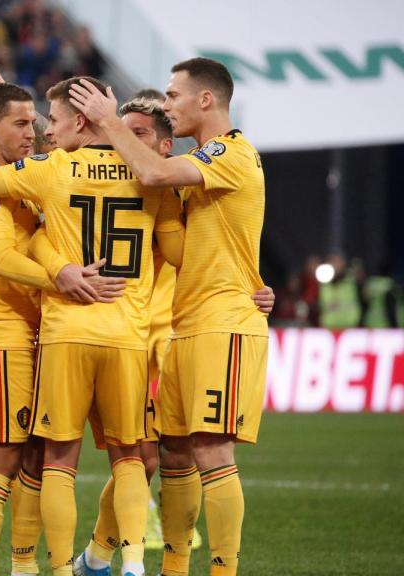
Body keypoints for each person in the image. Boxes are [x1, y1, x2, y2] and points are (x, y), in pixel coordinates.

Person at [0, 75, 187, 576]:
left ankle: (59, 567)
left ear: (81, 120)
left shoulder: (52, 169)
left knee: (58, 459)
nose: (47, 132)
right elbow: (180, 252)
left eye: (54, 120)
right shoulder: (152, 173)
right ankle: (132, 563)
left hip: (65, 332)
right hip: (126, 333)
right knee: (130, 456)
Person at [70, 57, 268, 576]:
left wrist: (109, 121)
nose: (168, 104)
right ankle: (171, 569)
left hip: (224, 324)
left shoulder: (230, 152)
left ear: (206, 99)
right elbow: (206, 242)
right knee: (173, 453)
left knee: (212, 450)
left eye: (174, 95)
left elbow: (154, 170)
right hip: (188, 325)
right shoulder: (198, 168)